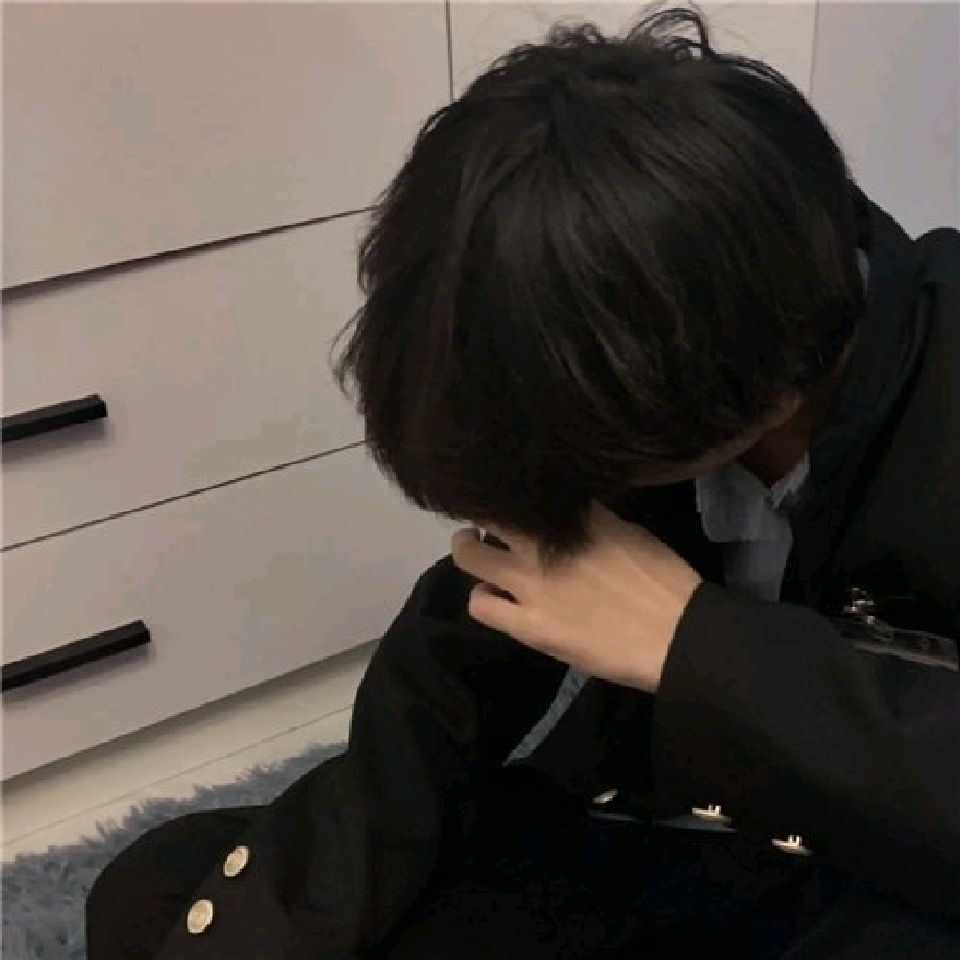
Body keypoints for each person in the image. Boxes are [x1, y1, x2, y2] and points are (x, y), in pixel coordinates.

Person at [86, 6, 960, 958]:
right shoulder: (645, 343)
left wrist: (698, 648)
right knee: (172, 888)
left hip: (899, 878)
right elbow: (450, 674)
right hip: (681, 842)